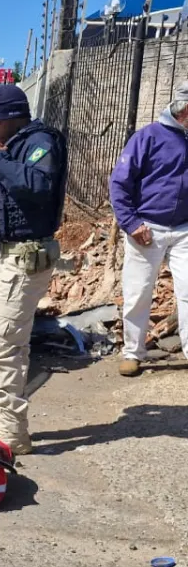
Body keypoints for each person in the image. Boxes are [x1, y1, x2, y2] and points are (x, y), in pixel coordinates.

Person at [0, 84, 67, 455]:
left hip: (28, 255)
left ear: (13, 116)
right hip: (12, 255)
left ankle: (13, 431)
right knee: (15, 344)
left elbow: (38, 186)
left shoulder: (41, 142)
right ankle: (9, 420)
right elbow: (0, 195)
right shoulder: (10, 149)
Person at [109, 81, 188, 377]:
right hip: (147, 228)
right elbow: (119, 184)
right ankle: (132, 352)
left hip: (184, 229)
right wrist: (131, 224)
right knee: (138, 292)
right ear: (185, 110)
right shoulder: (147, 137)